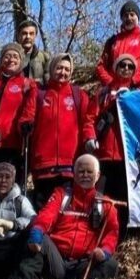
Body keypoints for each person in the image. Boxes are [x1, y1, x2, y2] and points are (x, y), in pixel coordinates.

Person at [6, 155, 119, 279]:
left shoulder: (106, 204)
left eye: (89, 172)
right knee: (36, 235)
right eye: (81, 172)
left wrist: (105, 251)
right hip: (57, 259)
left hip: (83, 263)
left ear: (97, 175)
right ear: (74, 173)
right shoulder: (61, 194)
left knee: (111, 265)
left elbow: (112, 233)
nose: (85, 175)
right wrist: (37, 232)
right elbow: (47, 215)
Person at [84, 53, 140, 237]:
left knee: (127, 194)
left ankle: (126, 231)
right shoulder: (102, 93)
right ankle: (104, 231)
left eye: (130, 66)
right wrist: (90, 137)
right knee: (105, 195)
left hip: (129, 154)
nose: (126, 69)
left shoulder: (139, 93)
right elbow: (89, 119)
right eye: (122, 65)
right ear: (115, 68)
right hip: (105, 153)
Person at [21, 53, 90, 207]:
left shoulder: (79, 95)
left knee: (65, 207)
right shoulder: (39, 93)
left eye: (66, 69)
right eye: (59, 68)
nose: (62, 72)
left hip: (70, 163)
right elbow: (28, 114)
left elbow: (87, 122)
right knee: (44, 207)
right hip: (43, 163)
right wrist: (26, 123)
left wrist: (89, 140)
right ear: (52, 69)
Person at [0, 43, 36, 191]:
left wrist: (26, 123)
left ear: (21, 61)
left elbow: (30, 108)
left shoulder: (27, 84)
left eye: (15, 56)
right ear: (1, 60)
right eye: (7, 56)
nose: (11, 59)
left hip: (13, 143)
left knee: (10, 186)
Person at [95, 0, 140, 88]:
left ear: (137, 17)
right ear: (122, 19)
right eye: (126, 15)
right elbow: (100, 67)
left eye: (132, 14)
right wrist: (110, 82)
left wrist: (133, 80)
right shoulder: (112, 41)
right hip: (116, 91)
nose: (129, 18)